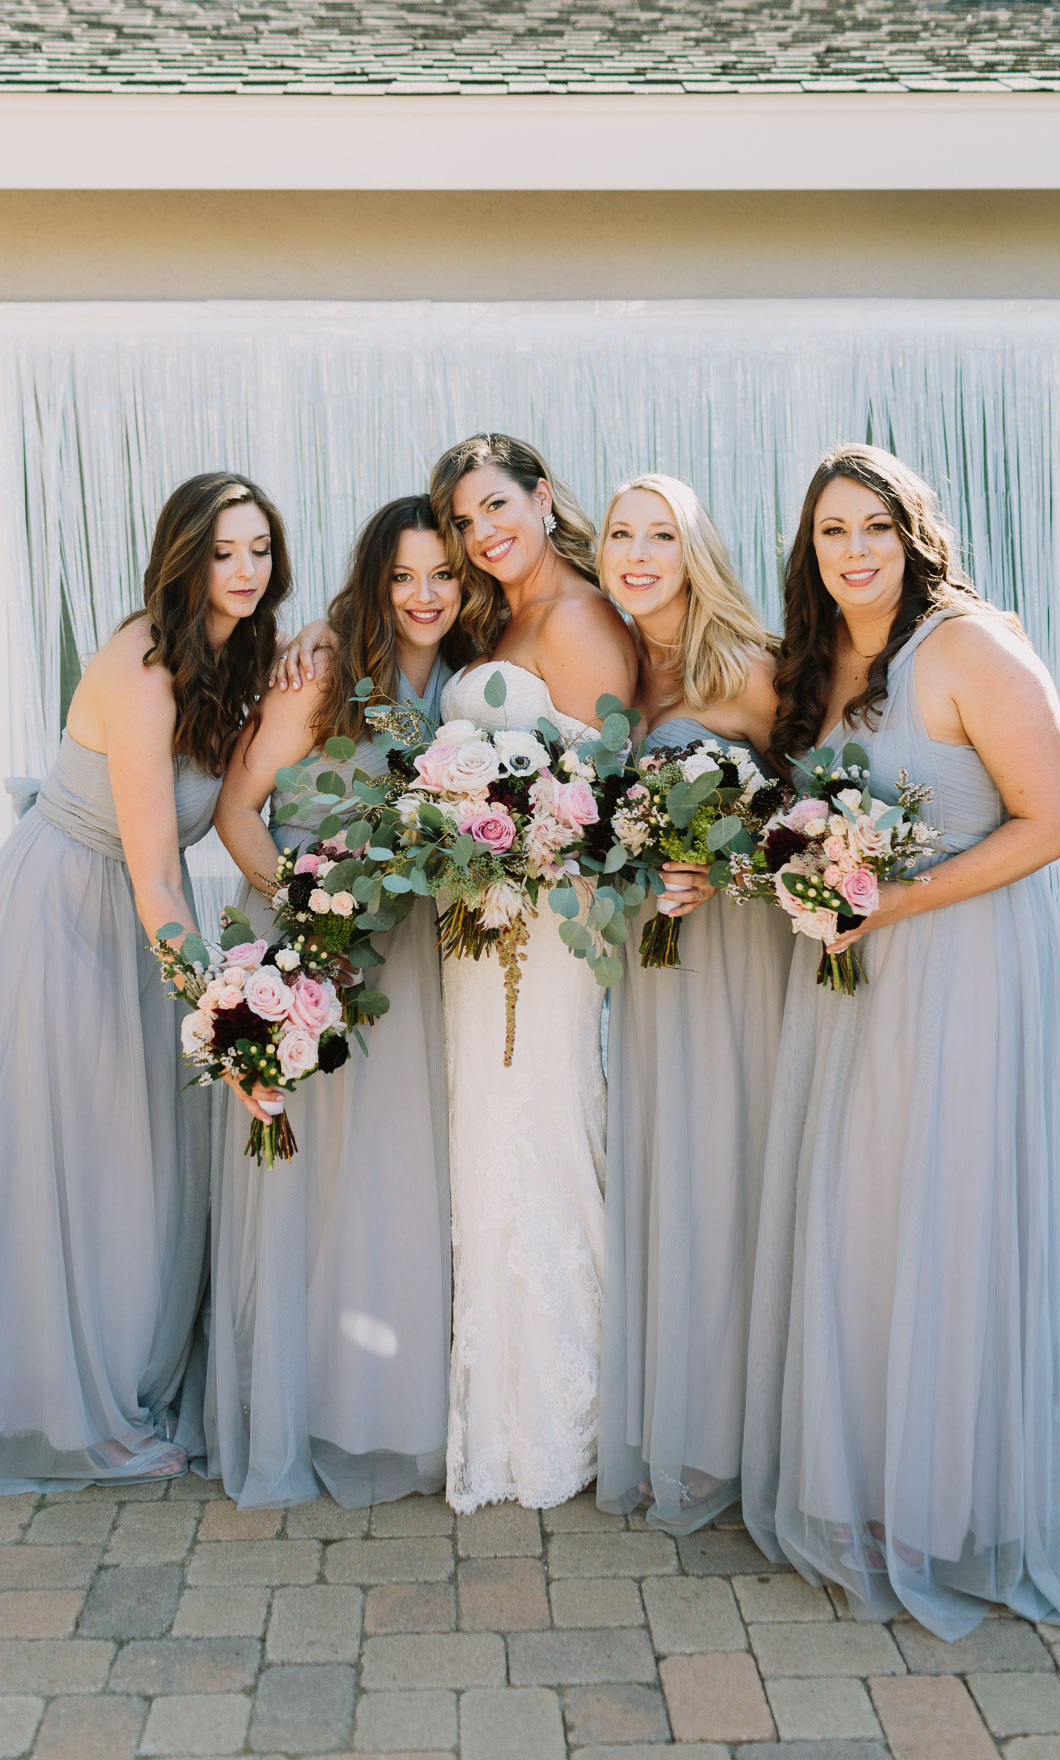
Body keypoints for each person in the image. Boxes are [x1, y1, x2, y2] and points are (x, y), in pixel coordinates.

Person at [741, 443, 1060, 1638]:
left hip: (964, 970)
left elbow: (1056, 821)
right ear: (809, 548)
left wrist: (889, 900)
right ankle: (869, 1489)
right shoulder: (821, 661)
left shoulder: (971, 645)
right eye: (832, 530)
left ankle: (950, 1506)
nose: (855, 550)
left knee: (947, 1220)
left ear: (916, 534)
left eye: (875, 527)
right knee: (865, 1219)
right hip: (856, 979)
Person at [0, 471, 289, 1489]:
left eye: (260, 550)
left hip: (139, 914)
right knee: (78, 1150)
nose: (243, 570)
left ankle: (129, 1371)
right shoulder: (143, 668)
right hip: (67, 905)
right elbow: (155, 875)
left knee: (143, 1151)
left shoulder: (239, 657)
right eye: (222, 552)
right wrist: (227, 1026)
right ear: (183, 560)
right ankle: (70, 1409)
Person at [206, 495, 462, 1507]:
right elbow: (236, 808)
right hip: (306, 943)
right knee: (308, 1179)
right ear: (372, 581)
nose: (424, 594)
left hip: (404, 950)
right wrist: (298, 914)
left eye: (442, 574)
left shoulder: (464, 678)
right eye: (403, 576)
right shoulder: (323, 673)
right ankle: (298, 1405)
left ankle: (386, 1404)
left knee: (390, 1172)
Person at [430, 431, 637, 1512]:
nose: (482, 533)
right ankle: (502, 1405)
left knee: (542, 1126)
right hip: (481, 917)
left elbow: (608, 793)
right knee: (487, 1136)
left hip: (546, 931)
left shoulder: (581, 617)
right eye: (465, 521)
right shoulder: (495, 620)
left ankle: (568, 1409)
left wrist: (515, 840)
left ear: (543, 496)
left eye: (496, 506)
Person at [593, 473, 792, 1533]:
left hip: (735, 962)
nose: (637, 554)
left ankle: (735, 1439)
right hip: (651, 965)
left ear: (695, 551)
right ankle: (681, 1422)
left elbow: (818, 816)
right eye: (621, 534)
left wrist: (734, 862)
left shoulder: (748, 668)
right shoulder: (622, 674)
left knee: (729, 1172)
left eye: (659, 535)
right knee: (671, 1174)